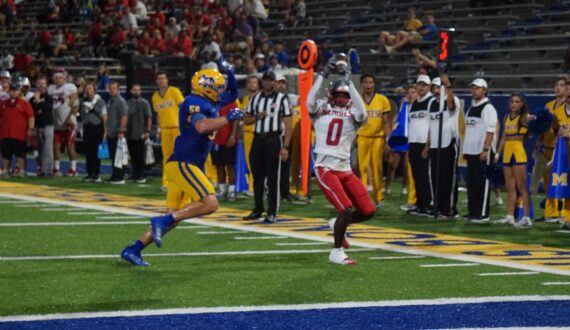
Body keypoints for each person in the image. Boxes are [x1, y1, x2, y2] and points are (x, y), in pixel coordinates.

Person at [120, 68, 243, 266]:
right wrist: (228, 118)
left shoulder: (211, 102)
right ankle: (160, 222)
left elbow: (233, 94)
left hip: (184, 164)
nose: (221, 90)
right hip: (184, 163)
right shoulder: (194, 102)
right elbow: (201, 126)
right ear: (206, 88)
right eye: (217, 87)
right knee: (211, 204)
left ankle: (133, 249)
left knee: (173, 218)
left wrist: (230, 73)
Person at [308, 67, 375, 265]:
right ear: (331, 95)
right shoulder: (321, 109)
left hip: (344, 168)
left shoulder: (354, 113)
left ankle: (335, 224)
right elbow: (309, 102)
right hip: (325, 167)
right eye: (337, 94)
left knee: (367, 210)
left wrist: (351, 83)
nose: (340, 99)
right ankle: (336, 252)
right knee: (345, 208)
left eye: (345, 95)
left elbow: (362, 112)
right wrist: (321, 75)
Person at [242, 71, 292, 223]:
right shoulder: (255, 98)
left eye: (271, 80)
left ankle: (272, 211)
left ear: (275, 82)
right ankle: (257, 209)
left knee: (272, 177)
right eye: (266, 80)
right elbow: (246, 119)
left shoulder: (282, 99)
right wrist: (257, 116)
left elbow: (288, 123)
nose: (268, 83)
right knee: (257, 176)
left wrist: (286, 146)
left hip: (273, 139)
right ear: (262, 81)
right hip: (258, 139)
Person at [463, 78, 498, 222]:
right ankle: (473, 211)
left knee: (482, 183)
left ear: (484, 90)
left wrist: (485, 149)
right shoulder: (472, 107)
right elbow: (468, 130)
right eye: (473, 88)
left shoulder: (488, 108)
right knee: (471, 183)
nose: (474, 90)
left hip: (482, 151)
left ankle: (483, 213)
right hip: (471, 152)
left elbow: (491, 131)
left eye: (477, 88)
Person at [494, 94, 532, 227]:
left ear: (521, 104)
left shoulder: (524, 117)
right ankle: (510, 216)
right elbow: (504, 137)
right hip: (507, 154)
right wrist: (498, 153)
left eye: (517, 102)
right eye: (512, 101)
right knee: (510, 187)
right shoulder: (506, 117)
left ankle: (526, 217)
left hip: (518, 153)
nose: (514, 104)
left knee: (522, 187)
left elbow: (520, 136)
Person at [533, 77, 567, 222]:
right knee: (548, 182)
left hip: (561, 149)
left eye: (561, 85)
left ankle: (566, 214)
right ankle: (551, 213)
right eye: (556, 85)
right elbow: (542, 127)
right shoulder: (548, 105)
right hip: (547, 148)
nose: (558, 88)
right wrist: (538, 142)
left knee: (564, 181)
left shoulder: (567, 106)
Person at [357, 73, 391, 209]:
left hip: (378, 138)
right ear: (362, 84)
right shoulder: (357, 100)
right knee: (362, 169)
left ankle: (379, 198)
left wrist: (388, 139)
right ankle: (363, 198)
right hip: (362, 137)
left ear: (374, 84)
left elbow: (386, 121)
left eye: (370, 82)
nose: (368, 85)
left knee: (377, 168)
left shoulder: (382, 100)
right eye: (365, 82)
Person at [428, 74, 460, 218]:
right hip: (434, 145)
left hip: (448, 143)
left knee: (447, 178)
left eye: (438, 87)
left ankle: (449, 208)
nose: (436, 90)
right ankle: (437, 206)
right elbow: (430, 125)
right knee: (435, 177)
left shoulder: (451, 101)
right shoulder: (431, 103)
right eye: (434, 87)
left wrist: (447, 87)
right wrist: (427, 145)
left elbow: (452, 106)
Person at [152, 71, 185, 191]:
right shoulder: (155, 97)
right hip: (165, 129)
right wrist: (159, 129)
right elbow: (158, 115)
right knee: (166, 156)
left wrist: (183, 126)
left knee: (179, 154)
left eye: (163, 78)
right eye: (159, 79)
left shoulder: (174, 91)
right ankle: (166, 182)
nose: (161, 81)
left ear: (167, 80)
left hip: (177, 128)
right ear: (156, 81)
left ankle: (179, 180)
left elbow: (183, 108)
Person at [407, 75, 434, 216]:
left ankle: (429, 204)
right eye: (419, 84)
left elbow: (431, 125)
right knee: (416, 175)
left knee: (425, 175)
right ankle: (420, 204)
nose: (421, 87)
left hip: (425, 143)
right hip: (414, 143)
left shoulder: (431, 101)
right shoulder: (414, 103)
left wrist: (428, 145)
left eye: (424, 85)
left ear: (429, 87)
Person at [211, 67, 239, 200]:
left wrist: (233, 136)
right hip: (215, 139)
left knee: (230, 166)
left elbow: (236, 120)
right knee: (219, 165)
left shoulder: (231, 101)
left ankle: (232, 191)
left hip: (228, 137)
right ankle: (222, 190)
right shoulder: (212, 101)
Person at [48, 68, 78, 176]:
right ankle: (56, 168)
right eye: (56, 78)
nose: (58, 80)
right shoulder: (51, 89)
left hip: (69, 123)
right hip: (56, 123)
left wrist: (70, 116)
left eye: (60, 78)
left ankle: (73, 169)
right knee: (56, 146)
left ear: (64, 78)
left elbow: (74, 103)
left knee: (70, 146)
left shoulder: (69, 87)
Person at [0, 83, 34, 177]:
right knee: (6, 154)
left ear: (19, 92)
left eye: (16, 90)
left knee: (20, 154)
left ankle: (22, 171)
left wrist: (31, 128)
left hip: (19, 134)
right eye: (12, 90)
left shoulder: (24, 104)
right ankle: (5, 170)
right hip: (5, 133)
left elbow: (30, 117)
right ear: (9, 91)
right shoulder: (3, 103)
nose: (14, 92)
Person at [275, 73, 300, 201]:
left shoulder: (289, 98)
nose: (281, 85)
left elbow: (303, 99)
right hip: (273, 135)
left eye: (283, 83)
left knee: (285, 165)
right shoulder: (269, 98)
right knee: (273, 165)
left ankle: (284, 191)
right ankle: (273, 190)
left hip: (285, 136)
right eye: (278, 82)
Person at [80, 82, 107, 182]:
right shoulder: (83, 101)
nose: (88, 90)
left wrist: (105, 130)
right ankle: (89, 173)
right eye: (86, 88)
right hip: (87, 128)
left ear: (94, 90)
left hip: (97, 127)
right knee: (88, 152)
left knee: (96, 152)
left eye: (90, 88)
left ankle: (96, 174)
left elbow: (104, 116)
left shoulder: (100, 101)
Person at [552, 82, 570, 230]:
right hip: (564, 155)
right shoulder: (558, 112)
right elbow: (555, 130)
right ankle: (567, 217)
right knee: (567, 186)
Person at [126, 84, 152, 183]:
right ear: (131, 91)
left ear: (140, 91)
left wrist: (148, 131)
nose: (136, 91)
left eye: (138, 90)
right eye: (134, 90)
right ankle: (134, 174)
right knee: (132, 155)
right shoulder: (127, 103)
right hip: (130, 133)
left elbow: (148, 117)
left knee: (140, 155)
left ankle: (141, 175)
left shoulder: (144, 103)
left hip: (140, 133)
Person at [239, 75, 260, 195]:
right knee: (249, 162)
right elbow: (242, 118)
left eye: (254, 83)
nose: (252, 85)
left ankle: (257, 186)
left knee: (258, 162)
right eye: (250, 83)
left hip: (257, 133)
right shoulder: (245, 100)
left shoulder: (262, 98)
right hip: (247, 133)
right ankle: (252, 186)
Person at [30, 77, 54, 177]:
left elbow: (46, 108)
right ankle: (41, 169)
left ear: (46, 85)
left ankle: (48, 171)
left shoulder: (49, 97)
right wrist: (40, 107)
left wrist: (38, 101)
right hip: (37, 126)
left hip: (47, 125)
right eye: (39, 83)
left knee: (47, 148)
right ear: (36, 85)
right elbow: (33, 111)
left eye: (43, 84)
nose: (41, 86)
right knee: (39, 149)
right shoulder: (31, 99)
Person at [105, 81, 128, 184]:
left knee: (118, 155)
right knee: (113, 155)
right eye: (111, 88)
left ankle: (120, 176)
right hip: (111, 132)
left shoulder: (120, 101)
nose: (112, 90)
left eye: (114, 88)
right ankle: (115, 175)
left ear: (118, 89)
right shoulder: (111, 101)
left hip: (117, 132)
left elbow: (124, 116)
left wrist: (121, 130)